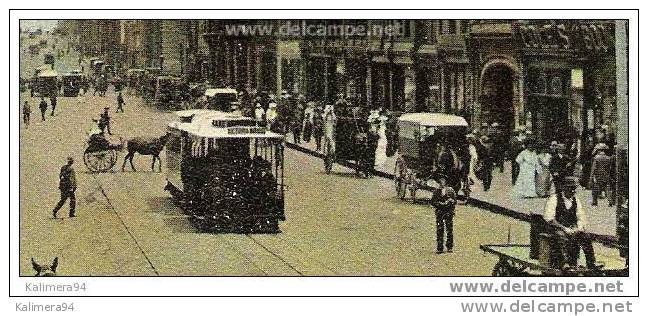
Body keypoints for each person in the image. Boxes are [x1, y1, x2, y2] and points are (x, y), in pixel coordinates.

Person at [543, 176, 597, 269]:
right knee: (562, 236)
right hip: (556, 228)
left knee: (586, 237)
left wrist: (578, 228)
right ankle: (565, 263)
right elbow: (550, 219)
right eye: (570, 188)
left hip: (571, 228)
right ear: (564, 188)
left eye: (574, 189)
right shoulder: (554, 199)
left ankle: (591, 263)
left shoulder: (576, 200)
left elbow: (581, 216)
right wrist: (564, 228)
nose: (572, 191)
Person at [432, 175, 456, 254]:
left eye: (443, 181)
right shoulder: (436, 191)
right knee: (440, 230)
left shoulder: (450, 190)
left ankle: (449, 246)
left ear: (446, 182)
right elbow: (433, 202)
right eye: (440, 181)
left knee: (449, 230)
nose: (442, 183)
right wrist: (440, 204)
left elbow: (454, 201)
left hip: (448, 212)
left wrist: (450, 202)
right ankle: (440, 247)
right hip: (440, 213)